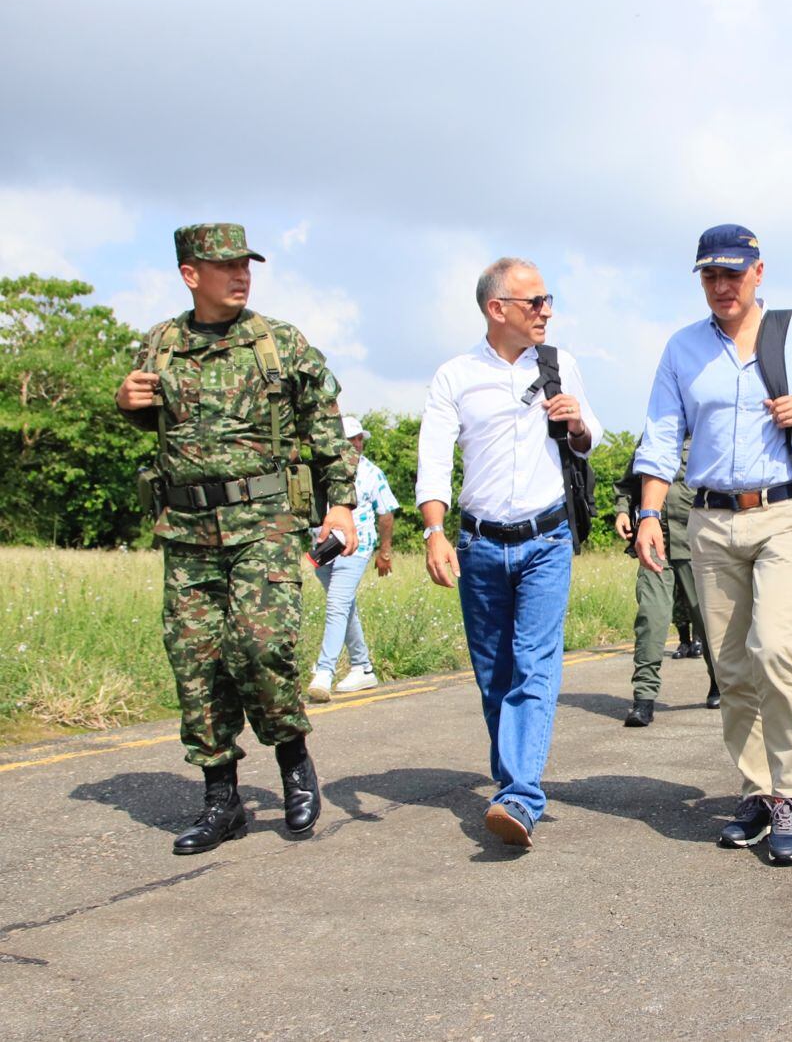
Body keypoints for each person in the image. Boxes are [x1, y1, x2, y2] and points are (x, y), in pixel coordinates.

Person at [114, 223, 357, 855]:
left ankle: (292, 759)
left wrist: (343, 507)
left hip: (264, 524)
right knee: (196, 664)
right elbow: (150, 417)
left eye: (244, 264)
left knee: (258, 647)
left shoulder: (279, 342)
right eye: (223, 266)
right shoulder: (161, 343)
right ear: (190, 274)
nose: (240, 275)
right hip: (187, 530)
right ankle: (221, 800)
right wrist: (126, 402)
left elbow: (326, 427)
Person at [633, 223, 792, 866]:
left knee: (776, 649)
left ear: (759, 273)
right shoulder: (681, 349)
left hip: (786, 511)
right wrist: (650, 515)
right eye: (709, 275)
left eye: (732, 273)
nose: (721, 286)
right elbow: (658, 438)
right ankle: (758, 792)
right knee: (730, 665)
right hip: (709, 521)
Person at [416, 257, 602, 848]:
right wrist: (434, 531)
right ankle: (511, 779)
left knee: (535, 663)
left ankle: (521, 794)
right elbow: (433, 458)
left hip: (546, 538)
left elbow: (592, 435)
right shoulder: (454, 376)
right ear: (498, 310)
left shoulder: (559, 363)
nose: (546, 311)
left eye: (549, 301)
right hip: (478, 543)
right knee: (493, 672)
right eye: (535, 302)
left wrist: (576, 423)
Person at [614, 434, 720, 727]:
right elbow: (629, 482)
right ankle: (643, 699)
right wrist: (623, 511)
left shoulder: (707, 429)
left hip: (698, 542)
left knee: (708, 620)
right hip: (655, 542)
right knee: (651, 618)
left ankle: (720, 682)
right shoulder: (652, 436)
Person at [307, 414, 400, 702]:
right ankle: (363, 666)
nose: (357, 444)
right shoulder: (319, 471)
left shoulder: (372, 473)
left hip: (355, 547)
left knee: (337, 604)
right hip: (323, 548)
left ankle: (324, 671)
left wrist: (385, 551)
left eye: (359, 438)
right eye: (351, 439)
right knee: (344, 607)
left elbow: (386, 513)